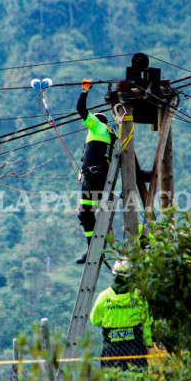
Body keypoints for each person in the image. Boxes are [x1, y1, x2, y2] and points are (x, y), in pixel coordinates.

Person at [90, 259, 152, 381]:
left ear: (114, 274)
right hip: (135, 350)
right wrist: (148, 343)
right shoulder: (139, 297)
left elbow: (94, 320)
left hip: (112, 352)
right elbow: (147, 323)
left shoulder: (104, 297)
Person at [75, 78, 117, 264]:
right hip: (101, 174)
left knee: (85, 212)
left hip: (93, 177)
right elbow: (94, 153)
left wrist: (85, 90)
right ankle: (95, 247)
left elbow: (81, 109)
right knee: (95, 212)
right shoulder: (110, 134)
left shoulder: (96, 126)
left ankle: (93, 248)